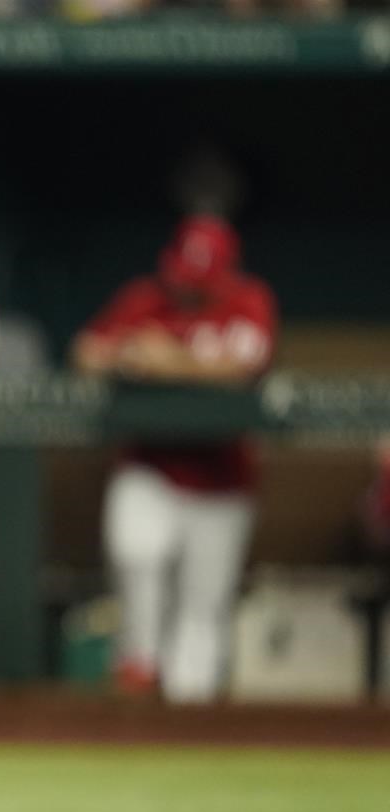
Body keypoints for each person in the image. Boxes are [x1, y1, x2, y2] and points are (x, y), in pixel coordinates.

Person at [72, 215, 277, 703]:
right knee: (135, 547)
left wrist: (173, 361)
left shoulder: (250, 301)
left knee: (202, 613)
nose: (187, 289)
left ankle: (190, 721)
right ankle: (139, 661)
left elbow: (245, 366)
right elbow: (85, 351)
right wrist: (125, 352)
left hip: (223, 478)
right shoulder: (146, 298)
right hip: (153, 464)